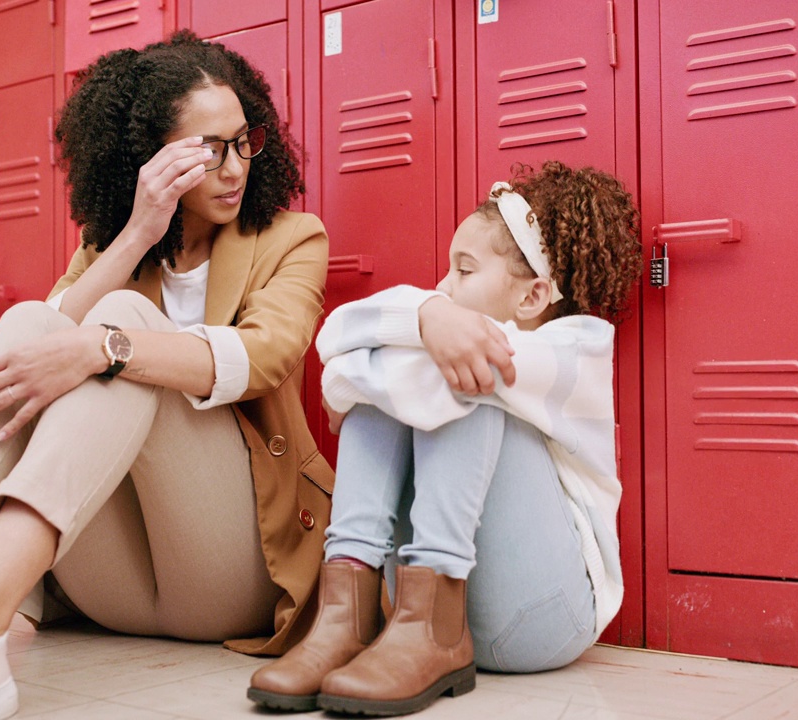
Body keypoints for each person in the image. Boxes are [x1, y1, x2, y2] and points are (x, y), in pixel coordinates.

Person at [0, 30, 333, 720]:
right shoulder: (111, 248)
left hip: (230, 571)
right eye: (208, 150)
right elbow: (46, 338)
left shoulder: (292, 237)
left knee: (116, 324)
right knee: (32, 325)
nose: (235, 166)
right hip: (109, 585)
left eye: (244, 139)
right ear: (151, 159)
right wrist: (137, 233)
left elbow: (265, 356)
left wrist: (110, 347)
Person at [248, 161, 642, 715]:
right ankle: (346, 619)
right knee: (396, 370)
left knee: (467, 365)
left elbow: (347, 355)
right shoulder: (446, 325)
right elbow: (336, 343)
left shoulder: (577, 349)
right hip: (424, 616)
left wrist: (420, 326)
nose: (442, 285)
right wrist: (429, 317)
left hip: (543, 615)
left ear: (532, 298)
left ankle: (427, 629)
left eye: (463, 270)